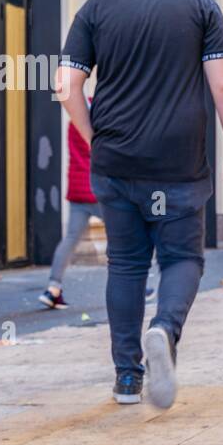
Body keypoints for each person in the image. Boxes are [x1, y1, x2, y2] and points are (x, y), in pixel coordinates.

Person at [56, 0, 223, 408]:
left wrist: (93, 134)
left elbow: (66, 86)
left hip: (116, 163)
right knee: (182, 258)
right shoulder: (198, 3)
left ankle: (126, 378)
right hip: (178, 165)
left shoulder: (97, 7)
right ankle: (163, 329)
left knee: (125, 265)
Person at [39, 115, 158, 309]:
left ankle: (53, 288)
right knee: (129, 236)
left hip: (77, 191)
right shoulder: (104, 120)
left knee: (70, 238)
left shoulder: (73, 123)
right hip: (99, 190)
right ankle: (136, 287)